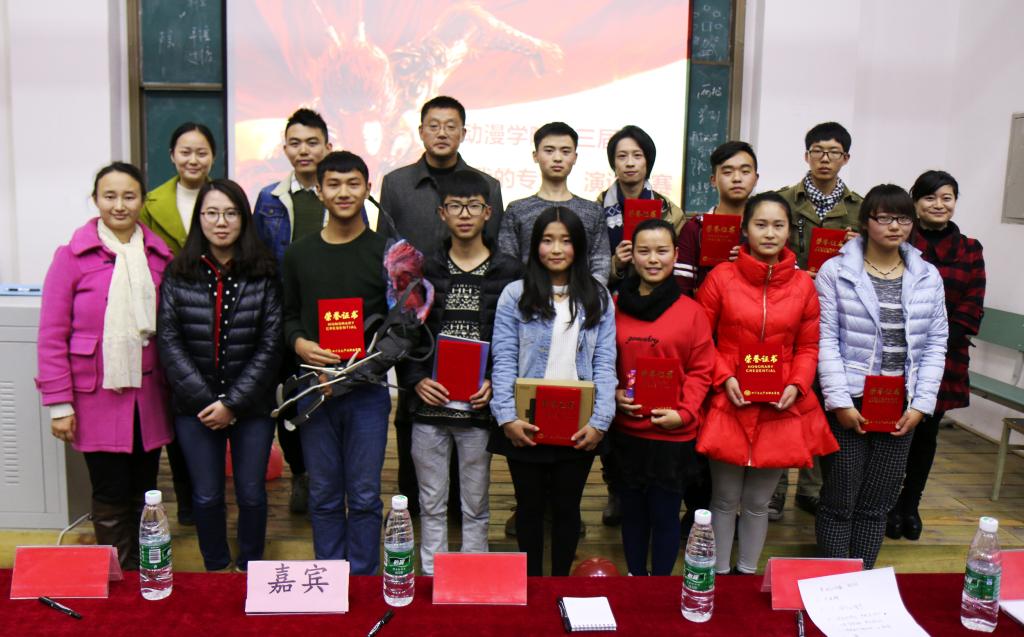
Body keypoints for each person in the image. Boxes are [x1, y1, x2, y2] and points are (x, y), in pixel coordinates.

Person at [282, 150, 428, 573]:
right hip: (314, 391)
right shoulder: (298, 254)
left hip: (366, 394)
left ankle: (363, 579)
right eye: (333, 184)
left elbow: (406, 327)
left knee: (364, 497)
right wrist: (300, 344)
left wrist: (355, 374)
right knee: (323, 495)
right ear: (319, 191)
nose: (343, 192)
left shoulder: (391, 254)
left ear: (367, 189)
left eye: (353, 183)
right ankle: (326, 580)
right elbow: (287, 315)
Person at [36, 162, 174, 570]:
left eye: (129, 196)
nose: (119, 205)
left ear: (142, 201)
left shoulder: (158, 257)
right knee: (110, 489)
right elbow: (52, 334)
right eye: (109, 196)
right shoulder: (71, 257)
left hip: (148, 396)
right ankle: (118, 573)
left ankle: (147, 567)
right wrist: (59, 404)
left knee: (145, 489)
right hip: (95, 396)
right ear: (95, 200)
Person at [696, 192, 837, 574]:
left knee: (759, 502)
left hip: (781, 405)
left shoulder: (804, 285)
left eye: (778, 225)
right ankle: (718, 575)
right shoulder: (721, 277)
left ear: (790, 231)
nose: (770, 233)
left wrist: (798, 383)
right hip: (728, 400)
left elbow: (808, 346)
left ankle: (746, 573)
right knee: (724, 499)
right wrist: (724, 375)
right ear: (745, 229)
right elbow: (701, 339)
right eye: (761, 224)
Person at [380, 95, 504, 516]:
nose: (442, 133)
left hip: (471, 312)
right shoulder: (396, 183)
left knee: (468, 411)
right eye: (433, 125)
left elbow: (495, 249)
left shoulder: (487, 185)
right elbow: (389, 254)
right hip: (418, 319)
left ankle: (457, 509)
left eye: (451, 125)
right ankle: (415, 503)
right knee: (414, 412)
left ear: (463, 132)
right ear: (421, 131)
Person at [815, 184, 947, 569]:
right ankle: (833, 582)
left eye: (903, 218)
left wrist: (921, 405)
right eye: (885, 218)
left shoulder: (927, 276)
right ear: (865, 221)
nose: (895, 226)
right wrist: (839, 401)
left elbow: (935, 342)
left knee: (876, 505)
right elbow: (826, 339)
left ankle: (862, 581)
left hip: (900, 404)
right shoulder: (836, 271)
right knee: (839, 500)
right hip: (851, 400)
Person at [158, 179, 282, 572]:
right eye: (211, 213)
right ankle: (215, 567)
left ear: (244, 219)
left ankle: (250, 566)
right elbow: (169, 342)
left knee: (251, 493)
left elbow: (271, 344)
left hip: (252, 406)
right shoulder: (178, 272)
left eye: (230, 213)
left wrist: (232, 403)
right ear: (199, 219)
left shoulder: (264, 272)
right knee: (207, 495)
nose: (221, 222)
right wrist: (206, 400)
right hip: (194, 407)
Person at [489, 207, 616, 576]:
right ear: (535, 245)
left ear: (579, 246)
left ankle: (561, 584)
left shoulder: (597, 296)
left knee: (567, 509)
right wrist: (507, 418)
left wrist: (600, 421)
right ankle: (532, 587)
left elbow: (606, 361)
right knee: (528, 510)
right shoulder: (515, 294)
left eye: (565, 240)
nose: (556, 249)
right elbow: (503, 358)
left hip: (578, 423)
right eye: (547, 240)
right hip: (525, 421)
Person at [407, 170, 521, 575]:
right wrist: (417, 379)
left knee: (476, 504)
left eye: (474, 205)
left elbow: (516, 338)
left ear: (488, 212)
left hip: (478, 407)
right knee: (431, 503)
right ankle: (431, 576)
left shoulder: (510, 270)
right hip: (429, 407)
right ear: (442, 213)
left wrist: (496, 384)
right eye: (456, 206)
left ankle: (472, 575)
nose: (465, 214)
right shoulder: (424, 268)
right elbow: (407, 332)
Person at [611, 218, 715, 575]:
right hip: (627, 431)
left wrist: (684, 413)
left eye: (661, 251)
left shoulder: (692, 311)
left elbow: (702, 370)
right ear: (632, 256)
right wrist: (613, 393)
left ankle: (658, 588)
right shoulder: (614, 306)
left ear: (675, 255)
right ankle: (635, 579)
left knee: (665, 515)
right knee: (632, 514)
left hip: (673, 434)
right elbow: (603, 361)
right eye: (644, 251)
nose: (653, 259)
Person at [886, 171, 984, 542]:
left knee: (926, 432)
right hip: (895, 352)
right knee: (893, 430)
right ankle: (886, 502)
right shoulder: (897, 240)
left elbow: (972, 306)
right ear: (915, 202)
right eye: (930, 197)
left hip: (944, 357)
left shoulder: (970, 249)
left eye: (947, 197)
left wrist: (937, 345)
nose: (939, 205)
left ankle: (910, 504)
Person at [772, 122, 862, 520]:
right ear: (806, 155)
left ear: (846, 158)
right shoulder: (782, 201)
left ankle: (811, 487)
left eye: (834, 152)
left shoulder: (860, 209)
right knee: (779, 392)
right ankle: (773, 486)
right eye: (818, 151)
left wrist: (857, 248)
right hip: (786, 306)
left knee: (823, 398)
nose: (825, 158)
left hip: (837, 313)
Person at [252, 107, 336, 515]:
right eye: (295, 143)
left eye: (312, 142)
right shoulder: (269, 199)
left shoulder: (341, 194)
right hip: (282, 318)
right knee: (288, 401)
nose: (304, 151)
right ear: (284, 149)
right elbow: (257, 262)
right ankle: (301, 474)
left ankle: (328, 477)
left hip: (333, 318)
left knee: (330, 400)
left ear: (328, 147)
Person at [139, 121, 218, 524]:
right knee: (175, 406)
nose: (193, 159)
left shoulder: (225, 199)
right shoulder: (150, 204)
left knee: (210, 407)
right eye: (185, 152)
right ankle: (182, 498)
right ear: (172, 155)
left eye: (201, 152)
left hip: (217, 317)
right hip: (167, 313)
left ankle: (206, 498)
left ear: (213, 157)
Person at [499, 121, 610, 280]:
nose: (557, 158)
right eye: (549, 151)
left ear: (575, 157)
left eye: (565, 151)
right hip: (527, 293)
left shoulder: (593, 211)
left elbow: (601, 263)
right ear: (535, 156)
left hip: (581, 294)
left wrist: (588, 293)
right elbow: (507, 262)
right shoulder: (517, 210)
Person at [601, 125, 686, 286]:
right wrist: (615, 264)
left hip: (657, 294)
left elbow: (678, 264)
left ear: (648, 162)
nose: (630, 163)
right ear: (613, 164)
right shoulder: (596, 210)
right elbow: (585, 266)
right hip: (608, 296)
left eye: (637, 156)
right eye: (622, 156)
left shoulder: (670, 213)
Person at [675, 140, 757, 296]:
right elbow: (682, 288)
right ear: (713, 180)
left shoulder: (768, 228)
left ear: (756, 178)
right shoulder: (695, 228)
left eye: (745, 171)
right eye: (727, 172)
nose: (737, 178)